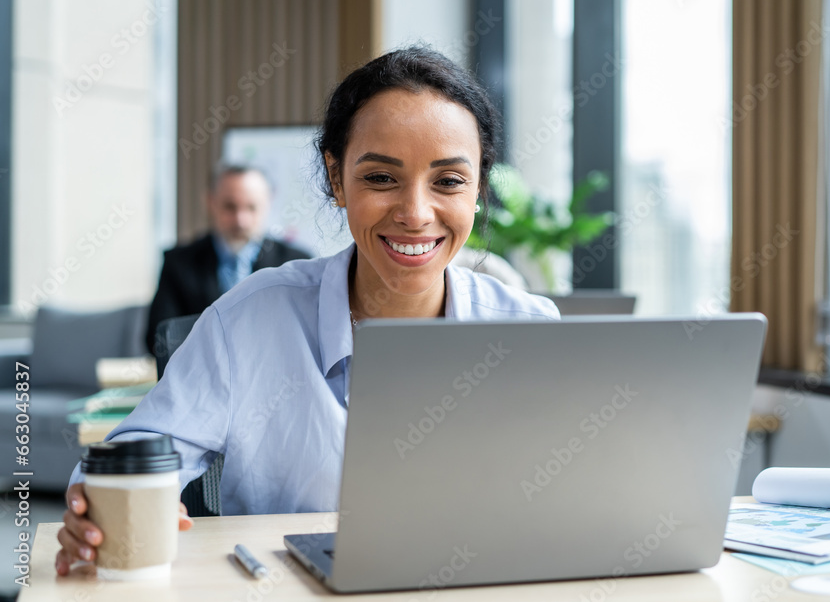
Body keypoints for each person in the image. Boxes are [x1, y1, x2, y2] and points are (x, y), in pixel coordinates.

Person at [55, 46, 559, 575]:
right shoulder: (246, 321)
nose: (415, 213)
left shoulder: (529, 331)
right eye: (381, 178)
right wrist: (104, 509)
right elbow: (135, 453)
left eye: (449, 181)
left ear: (478, 188)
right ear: (337, 178)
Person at [145, 165, 312, 355]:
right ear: (211, 202)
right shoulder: (179, 263)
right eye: (230, 207)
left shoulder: (297, 263)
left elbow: (308, 336)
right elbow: (158, 338)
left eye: (251, 207)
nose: (241, 220)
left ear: (268, 203)